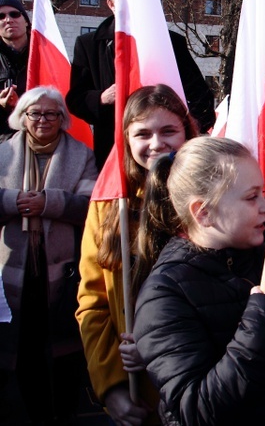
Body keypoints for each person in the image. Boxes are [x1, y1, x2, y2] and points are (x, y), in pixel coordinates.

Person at [132, 137, 265, 425]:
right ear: (204, 212)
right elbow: (196, 409)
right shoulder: (165, 293)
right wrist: (264, 324)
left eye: (262, 193)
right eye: (251, 197)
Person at [76, 84, 199, 425]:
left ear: (187, 133)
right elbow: (93, 303)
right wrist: (111, 386)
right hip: (139, 395)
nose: (157, 144)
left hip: (200, 383)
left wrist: (156, 344)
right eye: (142, 133)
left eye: (169, 131)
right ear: (127, 140)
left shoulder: (212, 197)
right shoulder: (107, 205)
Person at [0, 86, 97, 425]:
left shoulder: (82, 154)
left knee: (62, 348)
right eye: (35, 113)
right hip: (14, 268)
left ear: (62, 118)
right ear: (22, 117)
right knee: (20, 346)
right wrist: (13, 201)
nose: (43, 120)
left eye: (51, 113)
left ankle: (64, 411)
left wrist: (49, 203)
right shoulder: (3, 152)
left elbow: (90, 206)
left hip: (63, 268)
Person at [66, 0, 216, 170]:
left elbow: (201, 97)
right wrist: (102, 98)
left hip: (168, 153)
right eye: (125, 1)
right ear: (111, 5)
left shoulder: (171, 42)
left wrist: (187, 128)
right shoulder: (89, 45)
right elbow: (75, 99)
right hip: (114, 152)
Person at [0, 0, 31, 142]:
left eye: (14, 14)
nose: (8, 20)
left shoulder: (46, 53)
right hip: (4, 142)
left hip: (43, 142)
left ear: (25, 21)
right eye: (1, 16)